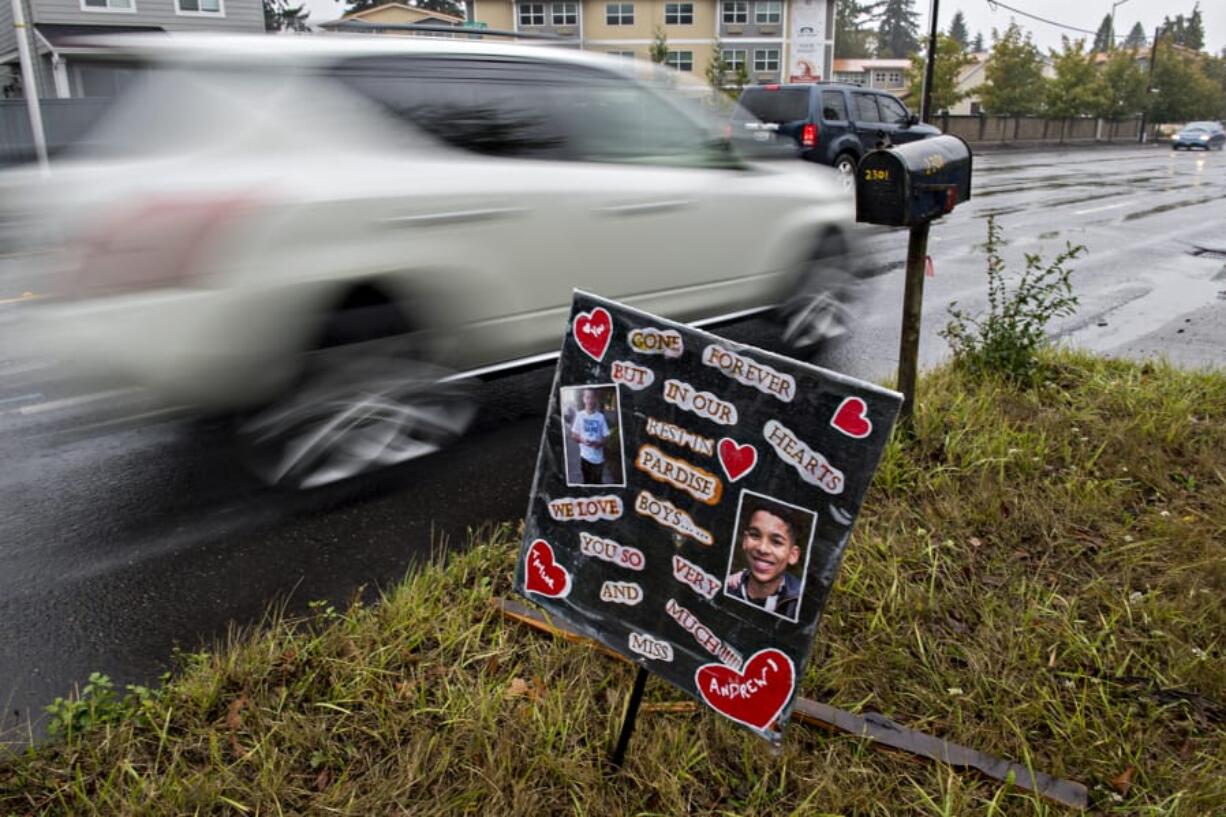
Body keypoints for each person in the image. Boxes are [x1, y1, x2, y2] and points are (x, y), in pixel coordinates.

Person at [726, 500, 803, 619]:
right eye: (755, 535)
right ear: (745, 541)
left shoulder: (800, 602)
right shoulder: (727, 585)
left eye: (776, 542)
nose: (762, 548)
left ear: (793, 555)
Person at [569, 388, 611, 484]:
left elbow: (606, 437)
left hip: (598, 460)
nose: (590, 400)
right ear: (584, 399)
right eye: (587, 397)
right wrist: (582, 440)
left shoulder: (601, 417)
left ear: (595, 399)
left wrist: (599, 444)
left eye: (592, 398)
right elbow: (574, 435)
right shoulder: (580, 416)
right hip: (585, 458)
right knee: (587, 484)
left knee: (598, 484)